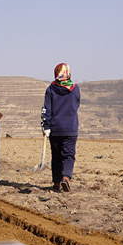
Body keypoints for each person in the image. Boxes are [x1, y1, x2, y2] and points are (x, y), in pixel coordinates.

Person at [41, 63, 80, 192]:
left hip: (55, 128)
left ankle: (57, 183)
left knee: (56, 156)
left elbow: (47, 109)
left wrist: (46, 126)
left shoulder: (50, 89)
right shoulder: (75, 89)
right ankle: (66, 177)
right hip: (70, 128)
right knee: (69, 155)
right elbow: (77, 104)